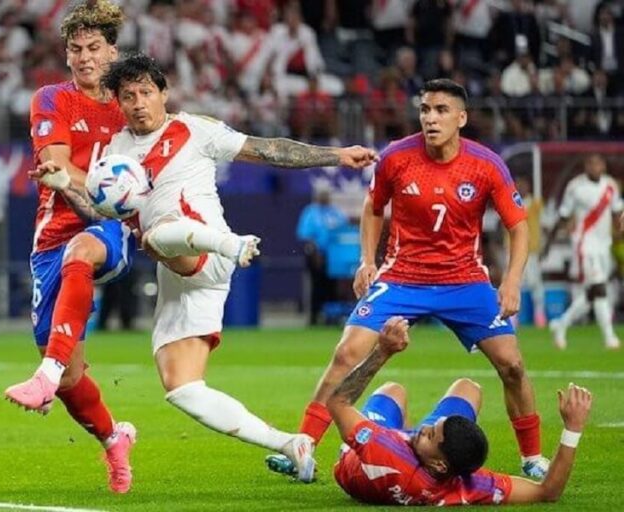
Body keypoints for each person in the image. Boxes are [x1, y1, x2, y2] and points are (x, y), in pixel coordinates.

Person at [93, 53, 377, 482]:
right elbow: (102, 204)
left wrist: (337, 155)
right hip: (177, 274)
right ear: (117, 100)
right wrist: (65, 185)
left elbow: (269, 150)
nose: (138, 103)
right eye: (128, 96)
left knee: (158, 232)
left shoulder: (195, 129)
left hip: (210, 247)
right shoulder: (115, 151)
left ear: (163, 94)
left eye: (146, 93)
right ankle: (289, 443)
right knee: (182, 388)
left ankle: (235, 241)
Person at [267, 78, 550, 480]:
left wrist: (512, 281)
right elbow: (373, 207)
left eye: (441, 111)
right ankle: (304, 446)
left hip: (465, 280)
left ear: (461, 118)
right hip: (402, 278)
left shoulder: (486, 164)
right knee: (347, 354)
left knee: (513, 365)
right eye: (425, 110)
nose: (430, 119)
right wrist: (367, 260)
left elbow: (518, 226)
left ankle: (532, 459)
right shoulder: (397, 157)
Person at [2, 0, 137, 493]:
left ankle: (44, 373)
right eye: (75, 49)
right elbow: (57, 167)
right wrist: (91, 188)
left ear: (112, 51)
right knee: (71, 380)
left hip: (109, 229)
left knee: (85, 247)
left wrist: (117, 207)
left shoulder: (130, 103)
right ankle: (113, 439)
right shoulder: (52, 98)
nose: (83, 57)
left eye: (93, 48)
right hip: (49, 238)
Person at [329, 316, 593, 505]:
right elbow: (548, 492)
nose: (423, 429)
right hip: (414, 462)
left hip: (358, 464)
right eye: (433, 427)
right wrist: (573, 429)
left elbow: (337, 402)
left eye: (430, 434)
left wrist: (382, 352)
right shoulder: (467, 484)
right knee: (469, 388)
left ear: (439, 464)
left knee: (392, 390)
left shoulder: (385, 450)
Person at [544, 154, 623, 350]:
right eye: (591, 163)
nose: (595, 167)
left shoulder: (610, 186)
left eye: (598, 163)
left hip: (604, 246)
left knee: (591, 294)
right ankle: (609, 337)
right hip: (584, 244)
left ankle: (562, 324)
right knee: (599, 288)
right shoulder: (575, 187)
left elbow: (616, 214)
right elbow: (563, 215)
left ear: (603, 166)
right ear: (585, 166)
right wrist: (548, 244)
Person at [296, 186, 349, 325]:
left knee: (333, 287)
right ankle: (314, 316)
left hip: (335, 256)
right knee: (317, 285)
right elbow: (305, 235)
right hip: (316, 255)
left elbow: (344, 230)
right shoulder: (311, 212)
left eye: (326, 195)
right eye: (321, 195)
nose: (324, 197)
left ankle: (331, 316)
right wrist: (315, 253)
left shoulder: (335, 212)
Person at [514, 175, 546, 327]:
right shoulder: (510, 202)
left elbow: (544, 225)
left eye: (523, 184)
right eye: (518, 184)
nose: (521, 187)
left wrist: (544, 247)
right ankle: (513, 318)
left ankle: (539, 315)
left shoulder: (536, 204)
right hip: (513, 250)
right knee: (515, 283)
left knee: (536, 284)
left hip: (531, 250)